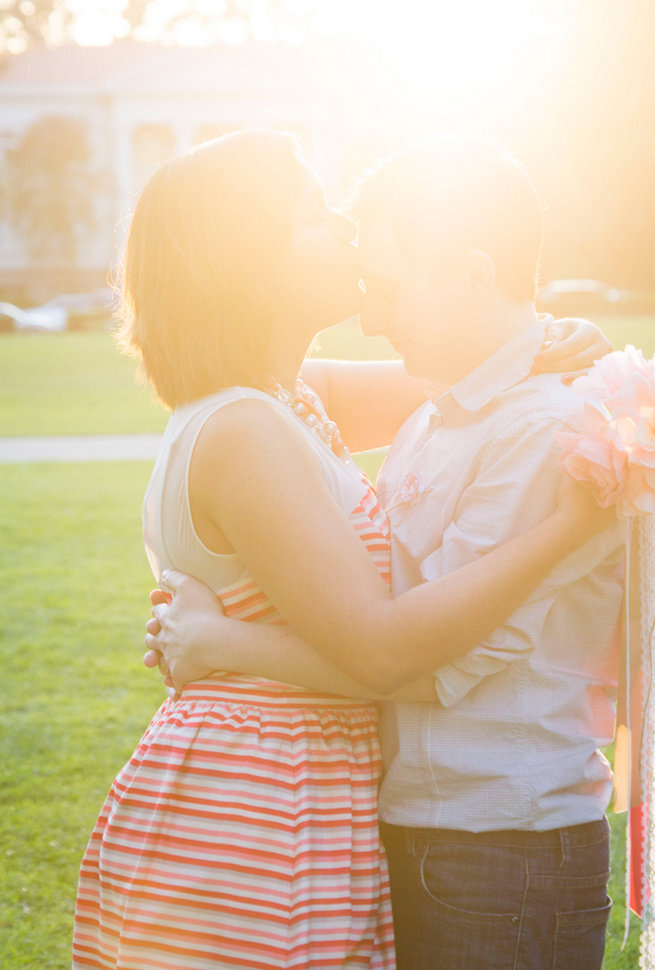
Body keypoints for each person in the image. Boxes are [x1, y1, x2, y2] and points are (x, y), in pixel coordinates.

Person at [144, 134, 626, 970]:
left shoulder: (292, 399)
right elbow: (383, 649)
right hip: (277, 805)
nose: (343, 232)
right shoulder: (252, 423)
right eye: (315, 216)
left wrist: (541, 338)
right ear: (253, 264)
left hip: (428, 822)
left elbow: (464, 371)